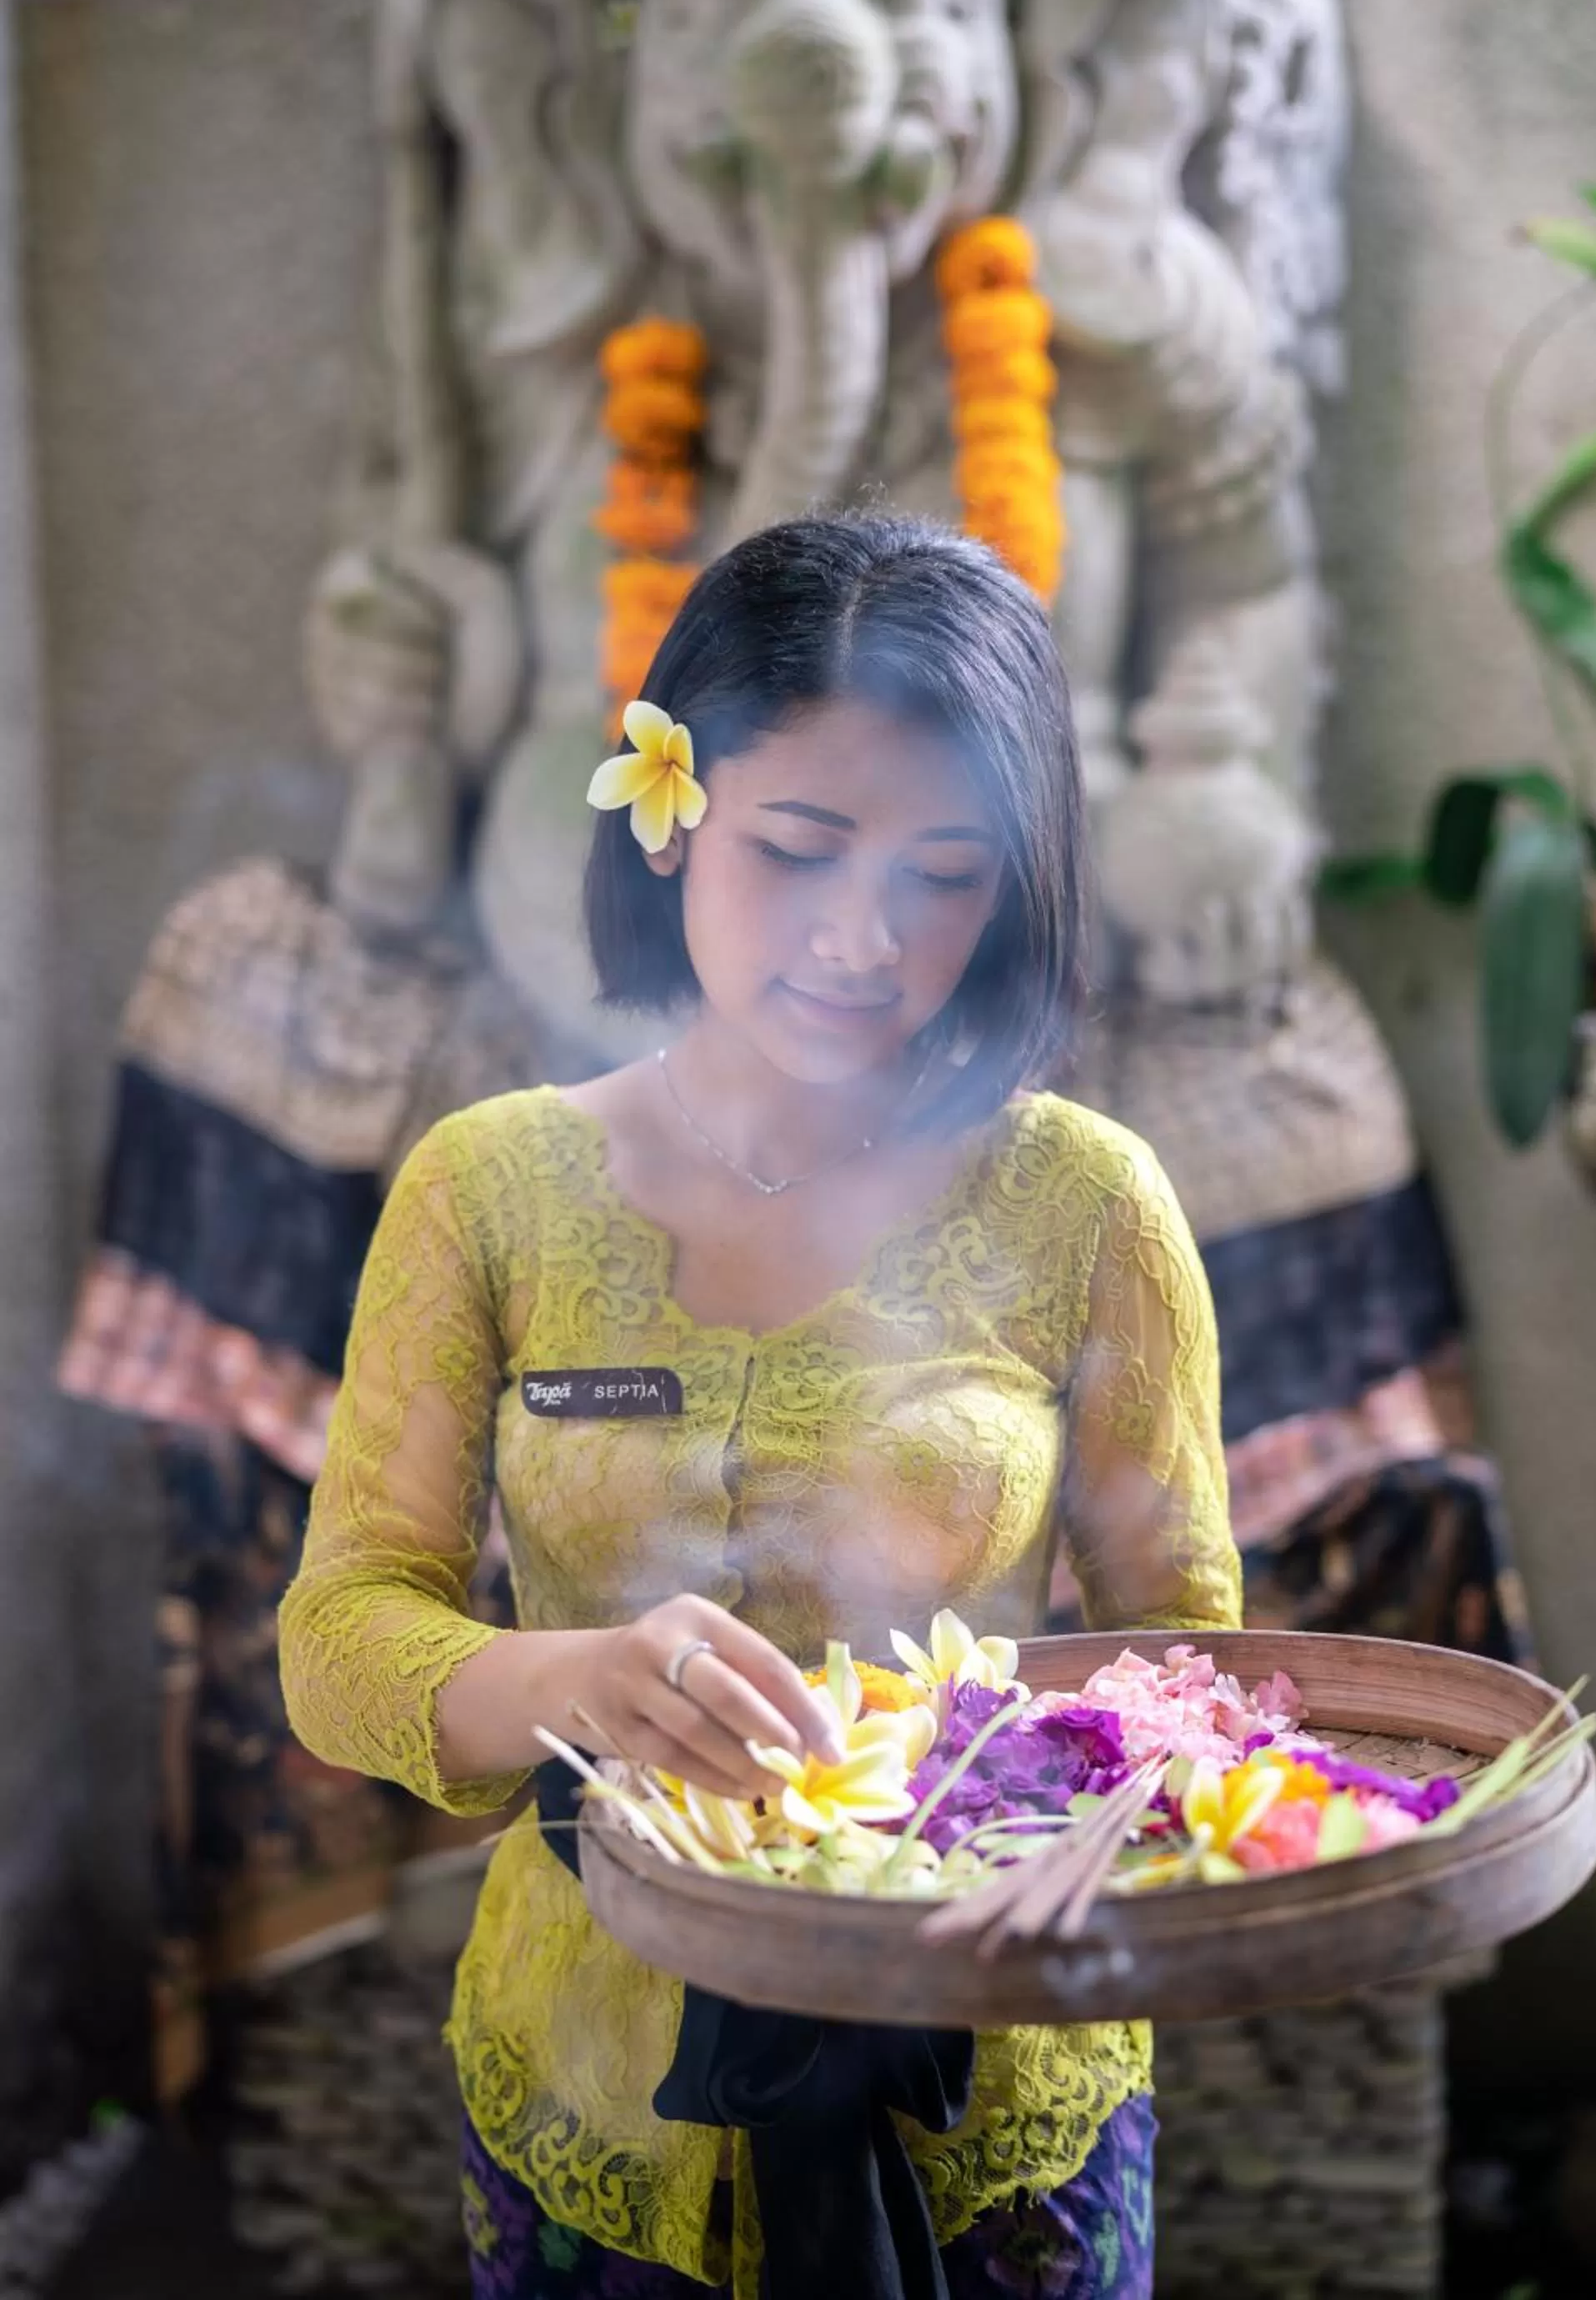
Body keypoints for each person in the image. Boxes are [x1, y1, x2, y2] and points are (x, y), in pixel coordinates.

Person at [278, 512, 1241, 2300]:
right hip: (590, 2071)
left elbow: (1179, 1666)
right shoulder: (490, 1188)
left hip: (995, 2085)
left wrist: (1026, 1810)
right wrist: (575, 1681)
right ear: (669, 807)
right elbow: (339, 1640)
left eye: (943, 875)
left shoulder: (1086, 1205)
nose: (862, 939)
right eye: (797, 848)